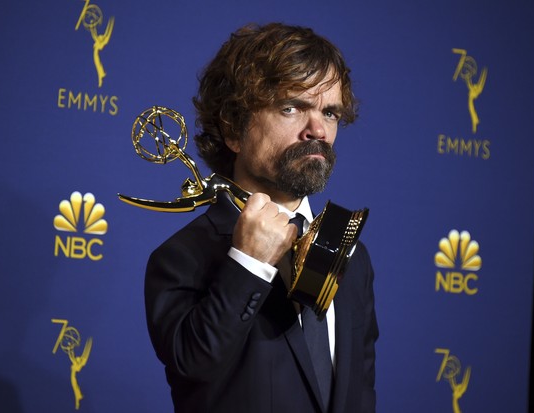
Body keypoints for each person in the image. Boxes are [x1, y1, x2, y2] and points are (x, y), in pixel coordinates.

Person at [144, 22, 378, 413]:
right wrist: (248, 263)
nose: (317, 129)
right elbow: (195, 367)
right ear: (235, 129)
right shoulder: (182, 257)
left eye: (330, 112)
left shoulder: (354, 258)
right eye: (291, 108)